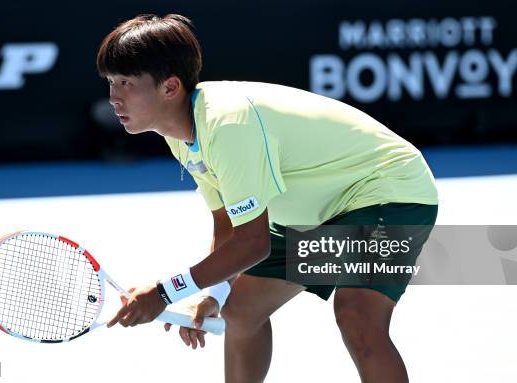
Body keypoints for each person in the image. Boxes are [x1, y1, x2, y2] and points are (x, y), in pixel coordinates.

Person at [98, 14, 438, 383]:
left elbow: (254, 243)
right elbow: (226, 222)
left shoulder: (227, 125)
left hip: (389, 190)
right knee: (240, 310)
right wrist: (215, 292)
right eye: (112, 82)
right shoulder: (179, 131)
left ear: (170, 87)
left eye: (126, 83)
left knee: (358, 316)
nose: (114, 96)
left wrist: (165, 292)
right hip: (316, 213)